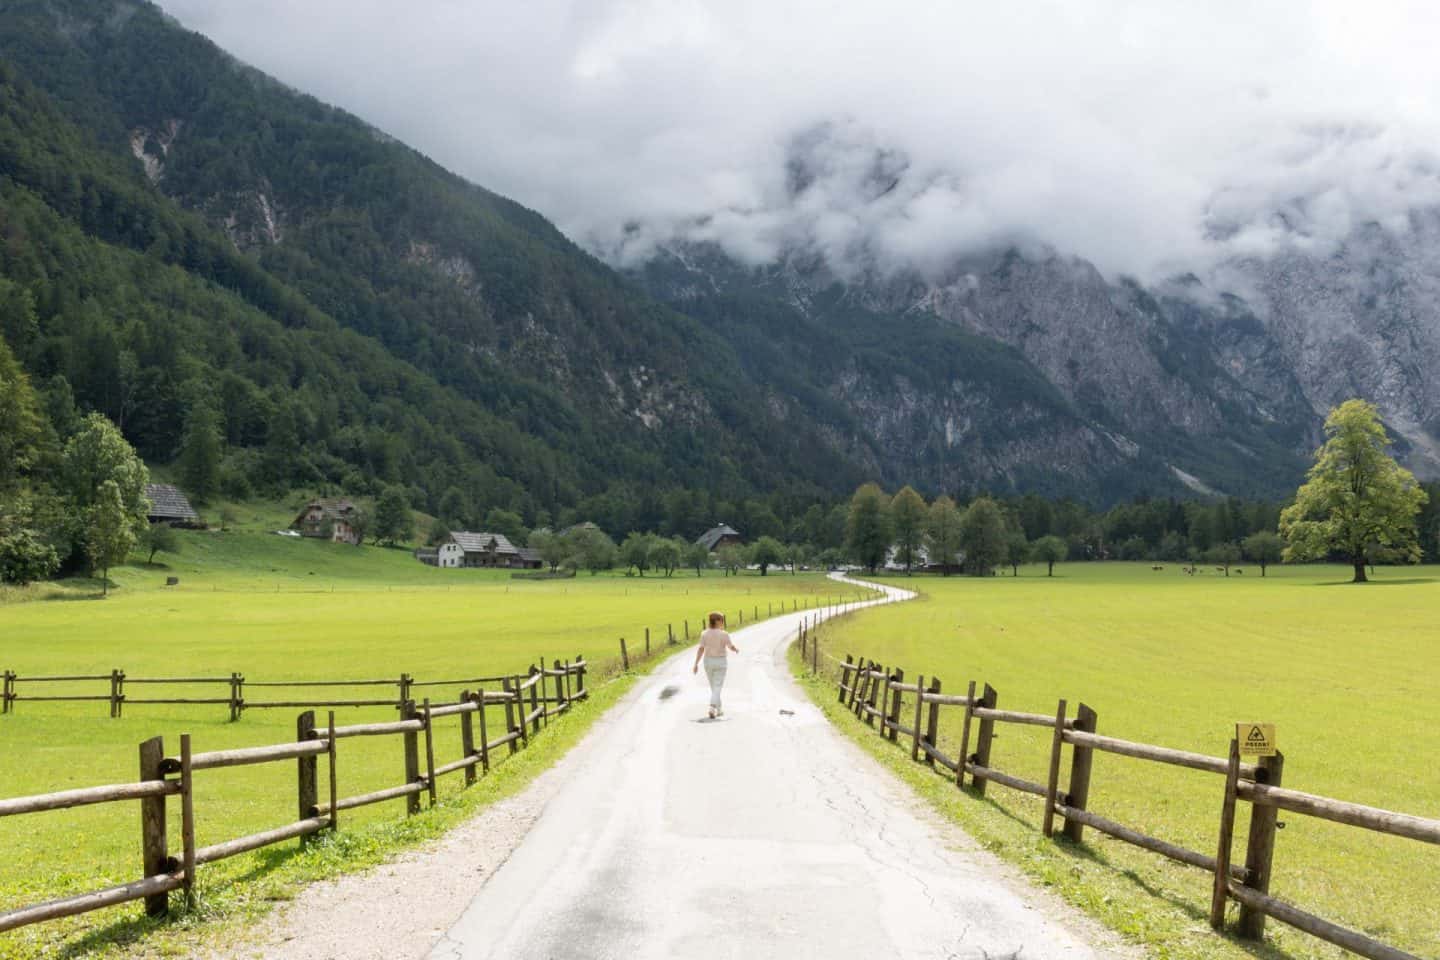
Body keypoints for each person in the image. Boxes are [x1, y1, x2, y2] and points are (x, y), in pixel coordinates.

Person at [692, 611, 739, 718]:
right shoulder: (724, 634)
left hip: (708, 662)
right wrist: (735, 649)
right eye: (722, 620)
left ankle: (719, 709)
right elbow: (730, 646)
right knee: (717, 687)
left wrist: (696, 664)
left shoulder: (704, 633)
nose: (723, 623)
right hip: (721, 662)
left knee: (714, 687)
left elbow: (701, 649)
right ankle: (712, 707)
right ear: (717, 622)